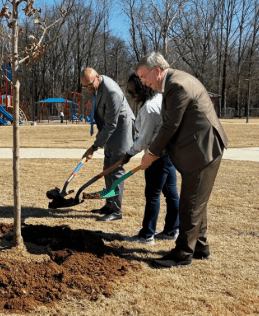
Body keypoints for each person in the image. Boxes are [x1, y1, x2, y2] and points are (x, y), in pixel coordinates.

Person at [135, 52, 228, 268]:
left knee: (190, 203)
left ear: (157, 70)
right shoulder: (174, 82)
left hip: (204, 149)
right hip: (199, 149)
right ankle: (201, 247)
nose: (143, 82)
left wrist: (151, 154)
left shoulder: (177, 85)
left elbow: (170, 126)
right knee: (196, 201)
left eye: (143, 76)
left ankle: (183, 253)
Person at [119, 74, 180, 245]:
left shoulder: (148, 109)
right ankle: (171, 231)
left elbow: (143, 140)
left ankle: (146, 235)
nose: (132, 95)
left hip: (156, 157)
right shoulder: (160, 99)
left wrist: (128, 154)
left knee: (153, 195)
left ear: (144, 87)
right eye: (129, 92)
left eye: (134, 91)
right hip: (168, 155)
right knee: (171, 194)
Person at [80, 67, 135, 221]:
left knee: (116, 170)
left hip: (121, 131)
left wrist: (94, 147)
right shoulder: (98, 87)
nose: (88, 89)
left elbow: (111, 125)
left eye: (90, 85)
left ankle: (116, 211)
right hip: (111, 131)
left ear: (97, 77)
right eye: (85, 87)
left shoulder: (111, 92)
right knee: (107, 168)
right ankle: (109, 204)